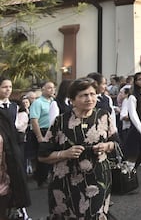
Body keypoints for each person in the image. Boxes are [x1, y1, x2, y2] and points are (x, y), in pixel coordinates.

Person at [37, 77, 118, 219]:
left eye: (92, 94)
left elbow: (116, 144)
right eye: (84, 95)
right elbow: (42, 155)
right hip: (65, 182)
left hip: (98, 179)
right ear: (72, 100)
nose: (89, 99)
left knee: (95, 215)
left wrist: (106, 146)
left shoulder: (104, 116)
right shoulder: (60, 121)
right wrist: (64, 153)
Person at [0, 77, 31, 217]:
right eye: (4, 87)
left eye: (10, 87)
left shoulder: (15, 106)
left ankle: (19, 208)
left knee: (17, 177)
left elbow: (19, 127)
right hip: (1, 147)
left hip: (14, 147)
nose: (8, 90)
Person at [28, 80, 54, 188]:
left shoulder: (53, 102)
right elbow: (34, 120)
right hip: (42, 130)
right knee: (43, 156)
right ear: (42, 89)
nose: (52, 90)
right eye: (49, 88)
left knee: (52, 156)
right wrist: (39, 136)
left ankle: (49, 177)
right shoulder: (38, 102)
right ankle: (40, 179)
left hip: (51, 130)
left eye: (53, 88)